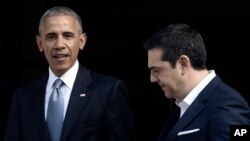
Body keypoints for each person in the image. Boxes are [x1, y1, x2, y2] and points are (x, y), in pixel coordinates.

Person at [4, 6, 135, 141]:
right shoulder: (23, 97)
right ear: (40, 43)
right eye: (51, 37)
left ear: (82, 41)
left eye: (68, 36)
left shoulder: (108, 91)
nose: (59, 45)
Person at [143, 23, 250, 141]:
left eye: (156, 70)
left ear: (183, 64)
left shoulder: (228, 105)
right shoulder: (180, 106)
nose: (152, 79)